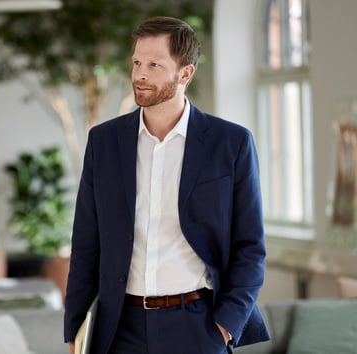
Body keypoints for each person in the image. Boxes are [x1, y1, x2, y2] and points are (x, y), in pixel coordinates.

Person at [64, 16, 270, 354]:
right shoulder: (104, 142)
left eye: (154, 65)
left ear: (185, 73)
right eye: (136, 62)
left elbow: (250, 246)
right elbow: (86, 244)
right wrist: (75, 330)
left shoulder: (230, 143)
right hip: (119, 329)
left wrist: (225, 326)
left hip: (198, 326)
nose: (140, 74)